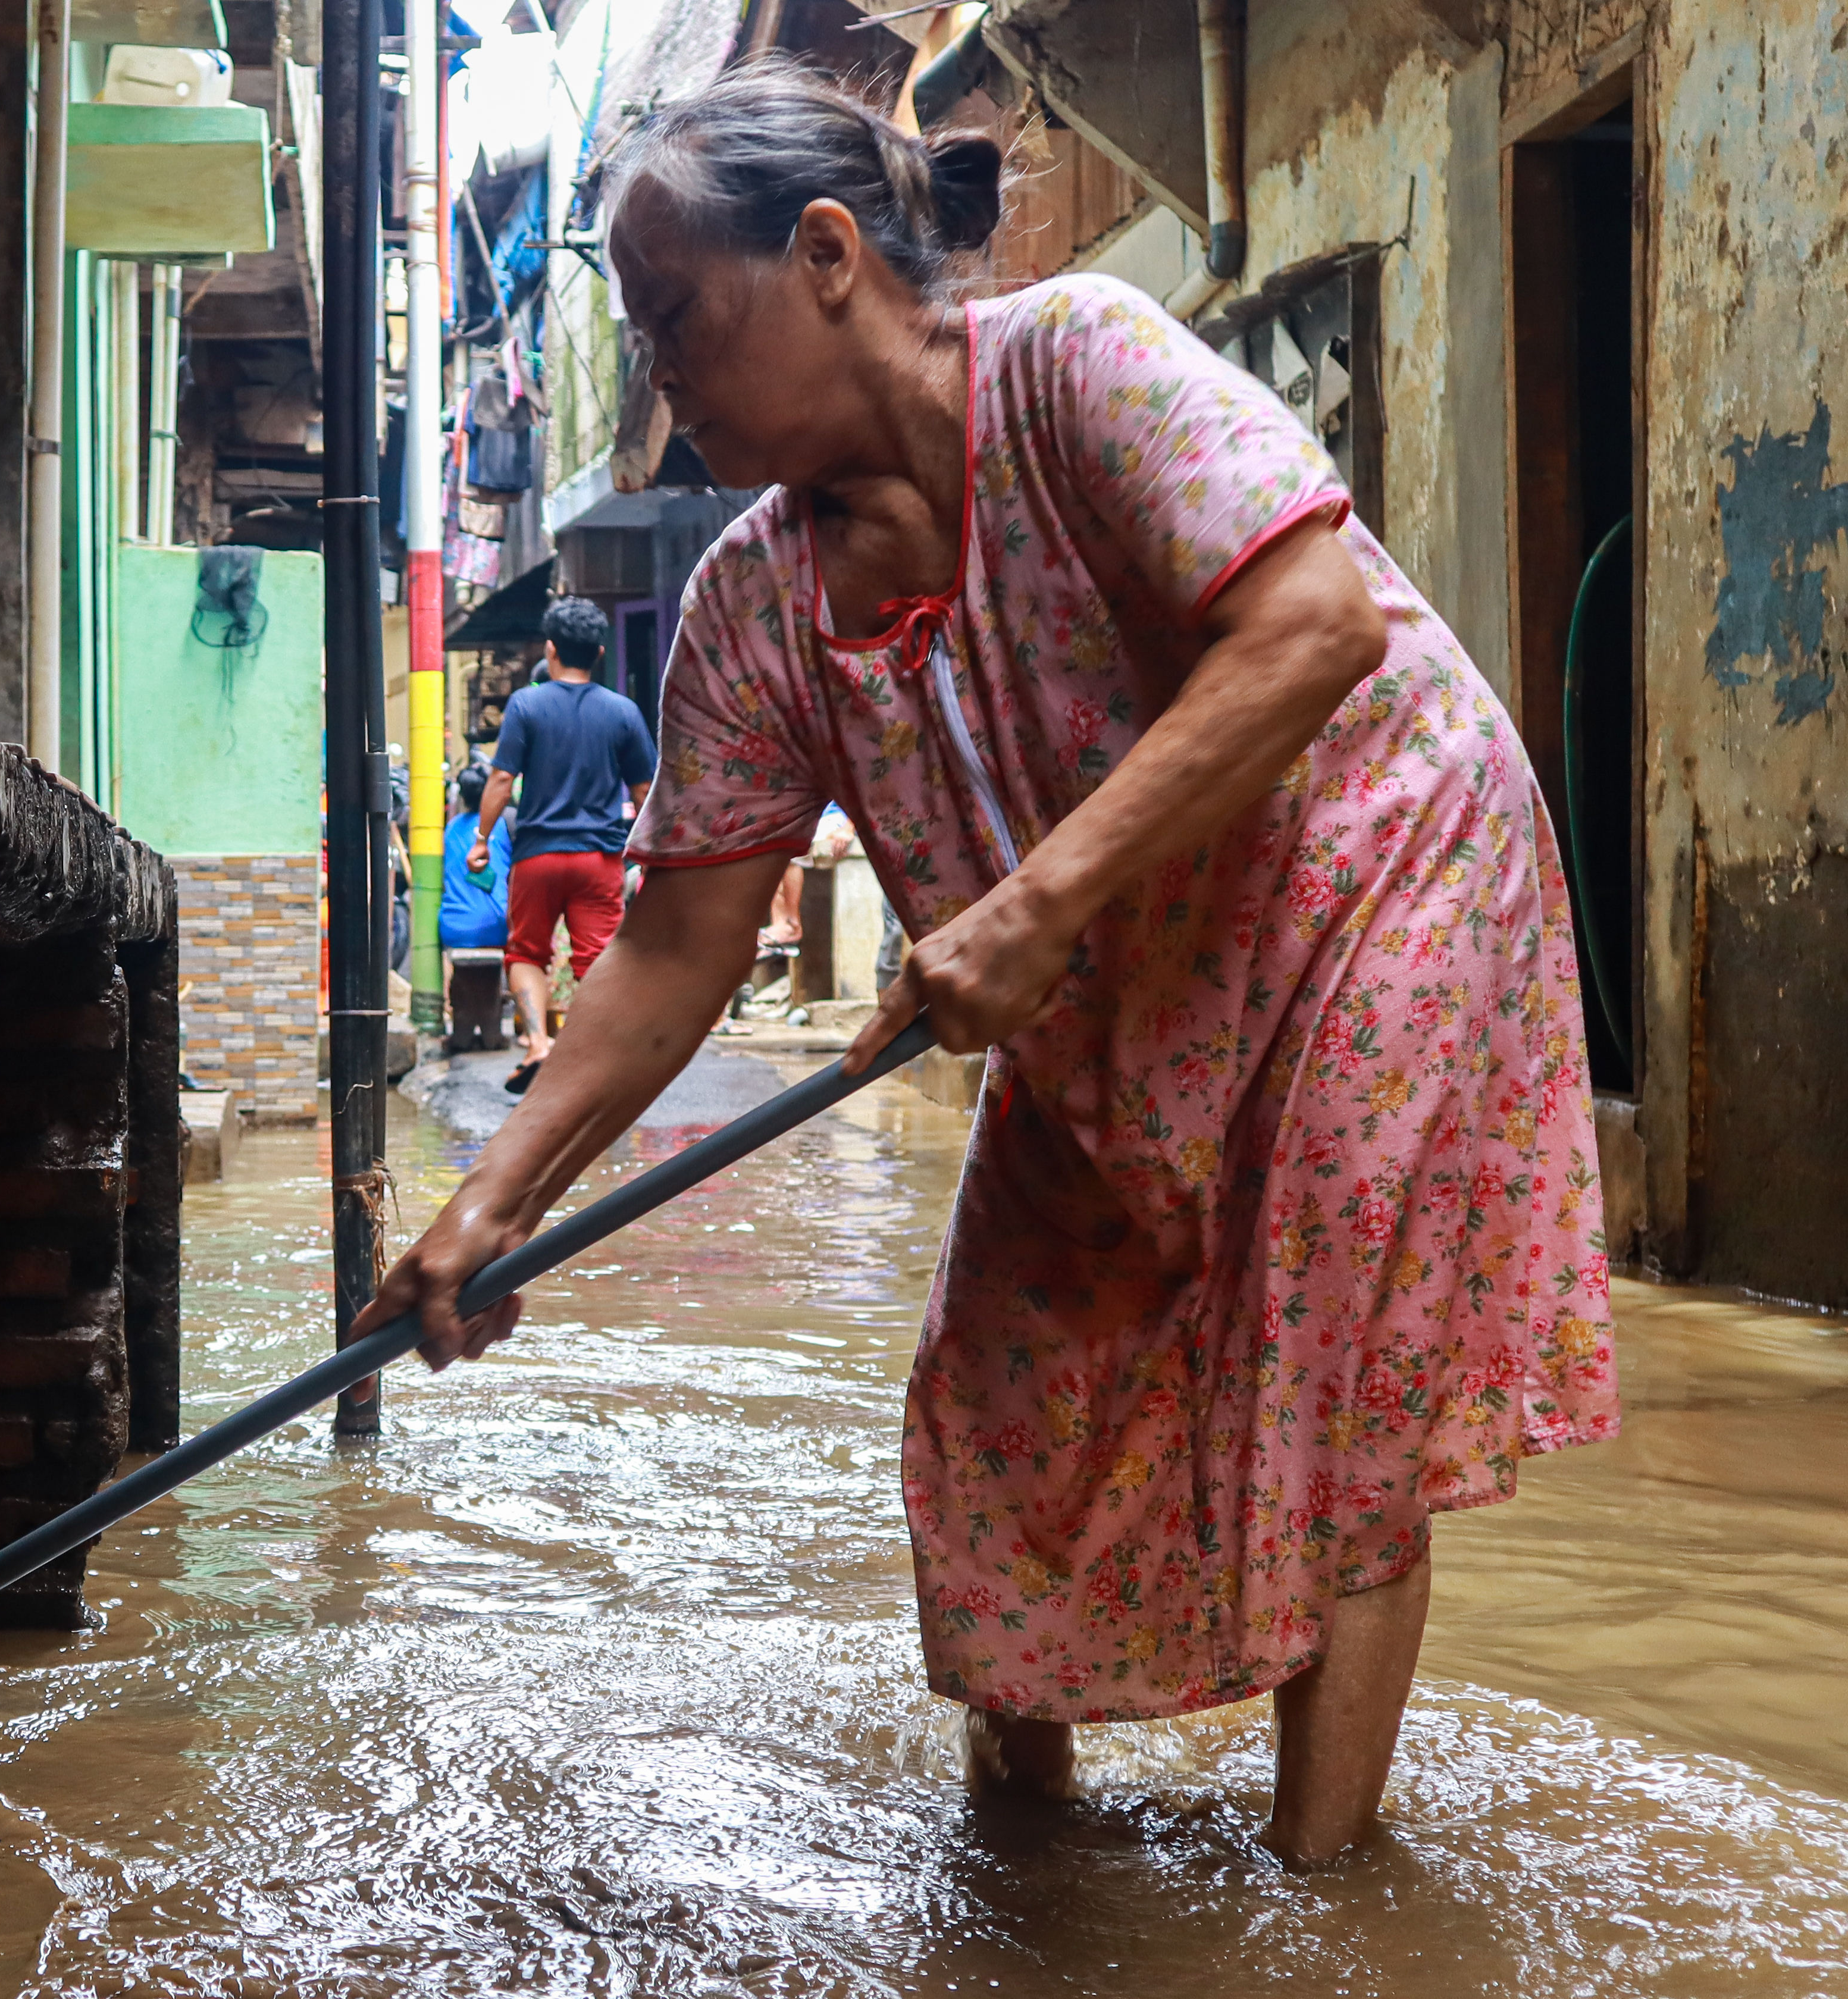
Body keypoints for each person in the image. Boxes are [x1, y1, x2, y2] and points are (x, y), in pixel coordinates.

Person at [355, 62, 1615, 1867]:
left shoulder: (1079, 362)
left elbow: (1316, 625)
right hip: (1118, 954)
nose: (663, 382)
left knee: (1315, 1366)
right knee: (1001, 1385)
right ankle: (1027, 1867)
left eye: (677, 322)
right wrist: (494, 1198)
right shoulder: (749, 605)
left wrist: (1029, 914)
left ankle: (1322, 1907)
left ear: (825, 255)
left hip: (1370, 866)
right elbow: (683, 944)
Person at [473, 596, 657, 1091]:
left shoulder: (527, 704)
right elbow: (646, 794)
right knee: (597, 958)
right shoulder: (623, 712)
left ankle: (538, 1045)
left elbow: (501, 781)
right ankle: (599, 1057)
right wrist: (652, 855)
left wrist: (481, 839)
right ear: (599, 652)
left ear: (551, 649)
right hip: (600, 860)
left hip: (537, 858)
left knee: (526, 954)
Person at [439, 760, 511, 951]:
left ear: (462, 796)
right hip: (497, 926)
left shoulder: (451, 828)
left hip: (453, 927)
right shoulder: (504, 824)